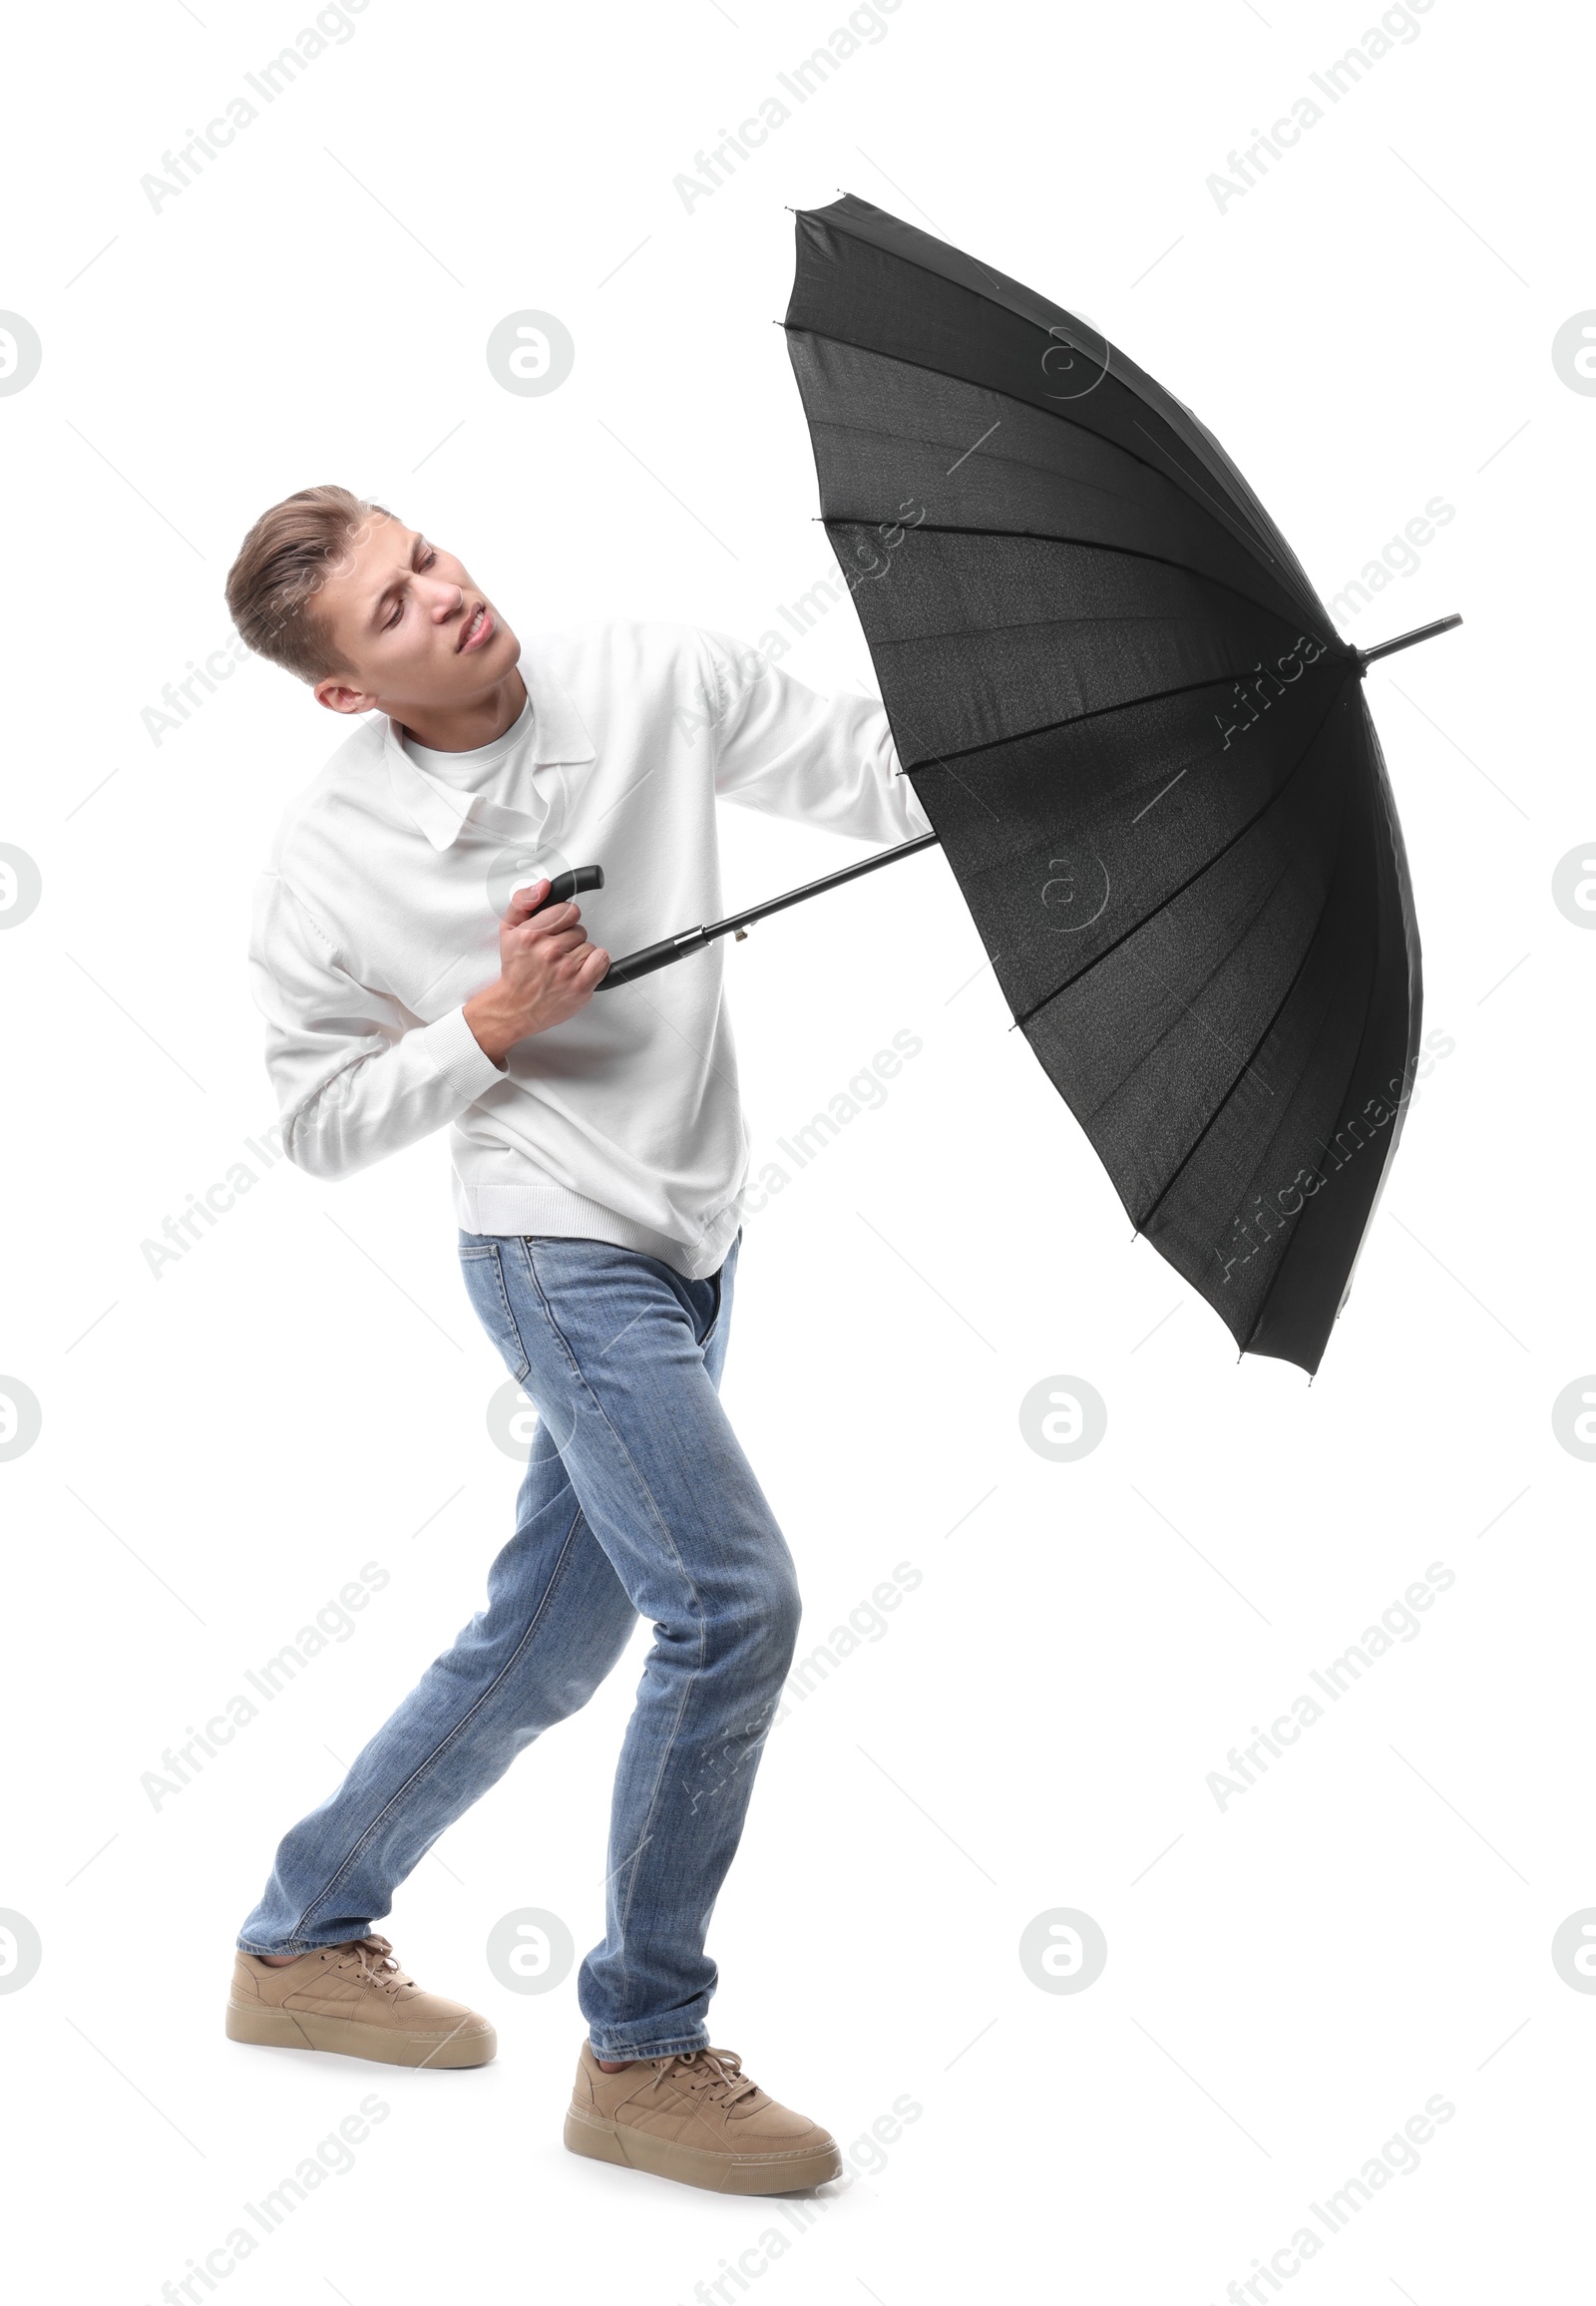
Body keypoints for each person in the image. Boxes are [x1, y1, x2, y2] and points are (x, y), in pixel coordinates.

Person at [219, 485, 931, 2193]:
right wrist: (487, 1024)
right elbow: (314, 1122)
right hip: (551, 1246)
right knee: (733, 1603)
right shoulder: (330, 859)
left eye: (430, 559)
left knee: (545, 1645)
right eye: (394, 612)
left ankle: (302, 1937)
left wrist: (1131, 739)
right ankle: (644, 2049)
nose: (447, 599)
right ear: (344, 692)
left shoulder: (651, 675)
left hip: (695, 1232)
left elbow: (898, 782)